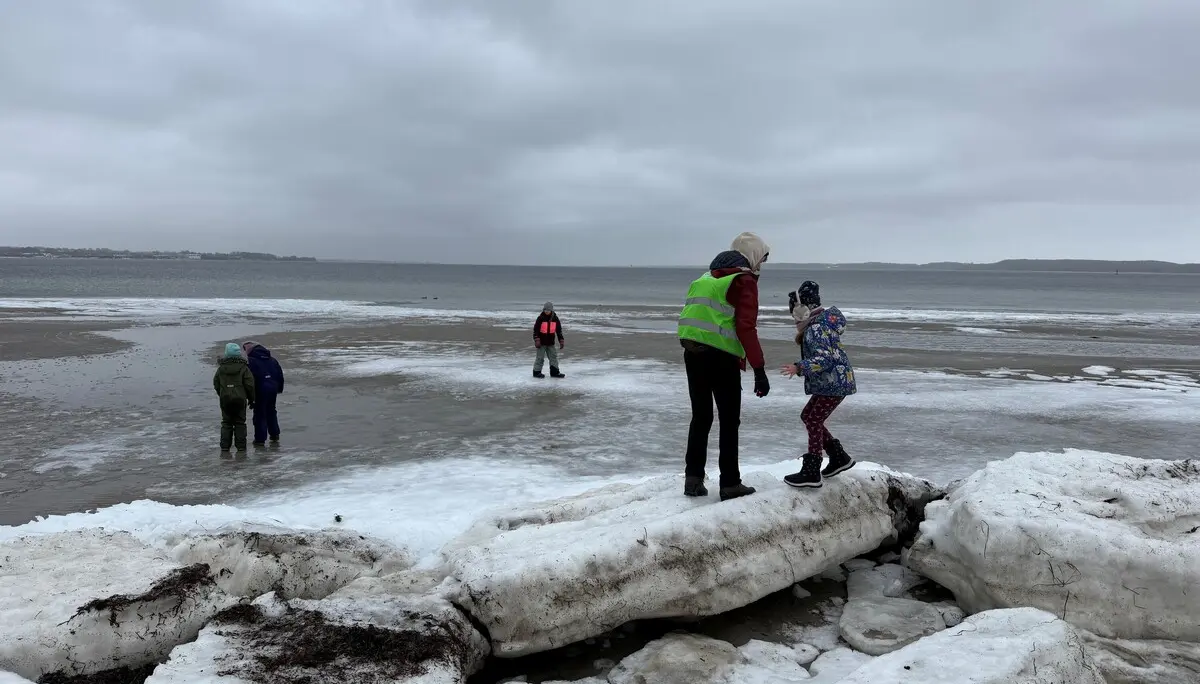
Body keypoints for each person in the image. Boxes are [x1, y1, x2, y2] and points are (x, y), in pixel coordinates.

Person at [678, 232, 771, 502]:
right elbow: (746, 327)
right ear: (753, 255)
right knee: (729, 421)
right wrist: (759, 370)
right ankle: (730, 484)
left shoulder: (706, 278)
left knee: (701, 417)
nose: (761, 265)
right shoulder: (743, 281)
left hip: (692, 352)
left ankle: (693, 479)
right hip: (721, 358)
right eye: (762, 259)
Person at [780, 280, 857, 488]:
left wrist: (799, 367)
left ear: (804, 309)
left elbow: (825, 359)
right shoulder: (821, 324)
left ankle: (812, 470)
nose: (794, 318)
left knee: (814, 419)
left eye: (794, 312)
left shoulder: (816, 328)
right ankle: (838, 457)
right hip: (833, 382)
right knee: (808, 416)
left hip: (834, 383)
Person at [213, 342, 256, 454]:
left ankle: (225, 447)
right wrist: (251, 399)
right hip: (240, 399)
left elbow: (216, 383)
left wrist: (221, 394)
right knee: (240, 423)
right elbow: (250, 385)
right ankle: (241, 448)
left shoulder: (221, 368)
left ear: (226, 353)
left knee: (226, 423)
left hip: (225, 399)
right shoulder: (244, 368)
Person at [243, 341, 285, 446]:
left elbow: (249, 379)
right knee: (271, 411)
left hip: (259, 390)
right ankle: (274, 434)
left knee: (259, 414)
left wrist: (249, 395)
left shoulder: (251, 361)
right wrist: (279, 388)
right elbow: (279, 375)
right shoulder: (272, 360)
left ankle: (260, 440)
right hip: (272, 389)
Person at [533, 302, 566, 379]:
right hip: (541, 343)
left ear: (551, 310)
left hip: (551, 343)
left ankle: (554, 372)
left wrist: (561, 340)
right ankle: (536, 372)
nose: (546, 311)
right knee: (540, 358)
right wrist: (537, 340)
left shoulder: (555, 319)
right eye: (545, 310)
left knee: (553, 357)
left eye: (548, 310)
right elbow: (536, 330)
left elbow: (559, 331)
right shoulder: (540, 318)